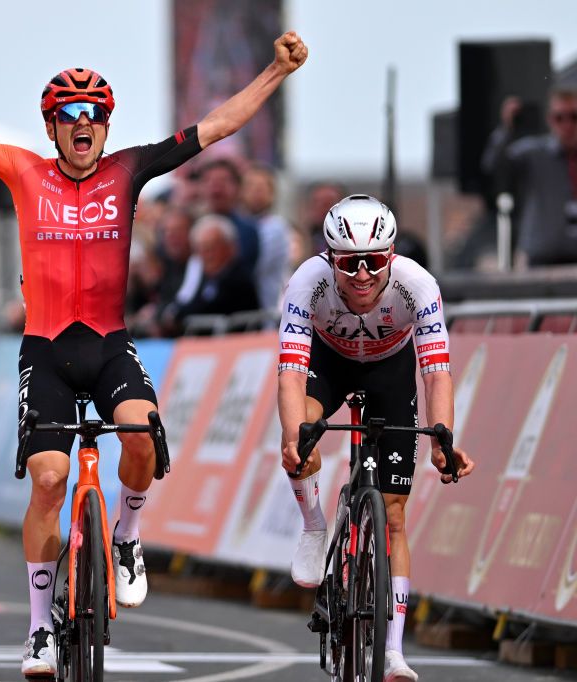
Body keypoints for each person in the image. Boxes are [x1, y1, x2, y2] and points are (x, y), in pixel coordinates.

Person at [0, 27, 307, 677]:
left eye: (94, 114)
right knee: (50, 480)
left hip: (109, 342)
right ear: (53, 126)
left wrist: (275, 72)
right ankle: (38, 631)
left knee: (143, 435)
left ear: (106, 125)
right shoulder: (23, 172)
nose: (83, 123)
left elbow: (215, 128)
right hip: (46, 350)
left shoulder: (130, 168)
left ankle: (127, 534)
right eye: (70, 115)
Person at [277, 194, 476, 681]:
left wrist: (441, 441)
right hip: (328, 364)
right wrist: (293, 440)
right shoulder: (307, 282)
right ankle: (314, 524)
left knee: (392, 513)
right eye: (349, 262)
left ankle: (392, 653)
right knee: (300, 440)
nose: (362, 274)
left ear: (391, 256)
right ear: (330, 258)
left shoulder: (417, 285)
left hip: (390, 370)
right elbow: (290, 374)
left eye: (374, 260)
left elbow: (436, 373)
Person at [482, 86, 577, 267]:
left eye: (574, 117)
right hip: (543, 259)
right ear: (550, 120)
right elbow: (494, 165)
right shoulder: (534, 153)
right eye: (560, 118)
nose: (567, 126)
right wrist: (506, 129)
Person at [241, 162, 292, 311]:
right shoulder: (237, 225)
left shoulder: (276, 227)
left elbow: (253, 267)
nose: (256, 193)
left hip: (263, 314)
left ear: (272, 195)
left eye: (262, 188)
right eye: (250, 187)